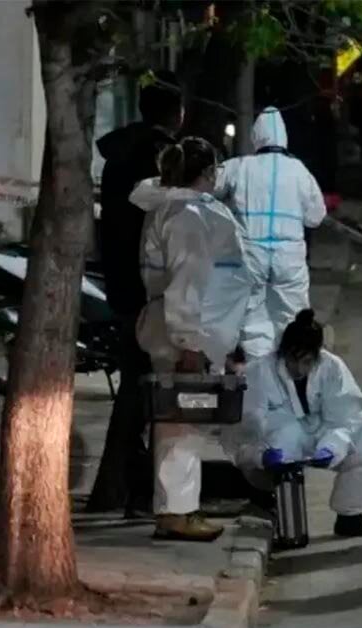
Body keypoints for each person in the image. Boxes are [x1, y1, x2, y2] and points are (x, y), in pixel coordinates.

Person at [131, 137, 252, 541]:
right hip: (183, 334)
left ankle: (177, 509)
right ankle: (177, 512)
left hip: (185, 330)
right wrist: (189, 343)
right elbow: (188, 283)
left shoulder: (176, 209)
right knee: (181, 422)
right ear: (206, 173)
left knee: (179, 420)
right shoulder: (188, 216)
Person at [87, 73, 183, 514]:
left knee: (136, 386)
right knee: (142, 390)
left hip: (120, 279)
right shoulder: (157, 158)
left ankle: (124, 489)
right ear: (174, 115)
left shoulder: (118, 154)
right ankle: (125, 490)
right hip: (147, 287)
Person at [222, 310, 362, 536]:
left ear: (317, 355)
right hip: (275, 442)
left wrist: (332, 447)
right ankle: (268, 498)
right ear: (283, 353)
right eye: (293, 360)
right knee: (279, 443)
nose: (299, 369)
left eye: (307, 361)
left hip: (320, 433)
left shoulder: (332, 367)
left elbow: (347, 417)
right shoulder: (258, 372)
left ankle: (351, 515)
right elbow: (243, 430)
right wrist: (260, 456)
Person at [215, 106, 327, 361]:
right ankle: (293, 377)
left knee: (253, 319)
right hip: (289, 256)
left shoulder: (238, 167)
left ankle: (259, 376)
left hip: (250, 253)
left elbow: (207, 187)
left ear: (257, 136)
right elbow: (316, 217)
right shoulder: (299, 171)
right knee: (293, 317)